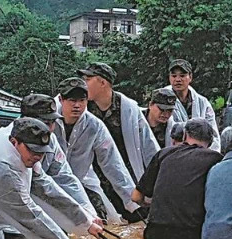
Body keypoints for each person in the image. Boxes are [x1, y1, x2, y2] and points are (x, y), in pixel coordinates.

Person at [133, 117, 219, 239]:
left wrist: (152, 204)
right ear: (210, 142)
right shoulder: (215, 159)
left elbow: (135, 197)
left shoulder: (164, 153)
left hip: (156, 237)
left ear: (184, 135)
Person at [54, 79, 137, 221]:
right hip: (47, 184)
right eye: (72, 100)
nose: (77, 105)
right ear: (61, 99)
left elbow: (113, 163)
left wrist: (132, 202)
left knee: (103, 220)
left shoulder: (94, 126)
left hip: (81, 183)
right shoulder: (48, 121)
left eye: (82, 100)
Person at [18, 92, 102, 227]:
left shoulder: (50, 140)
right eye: (45, 123)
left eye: (52, 123)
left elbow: (65, 178)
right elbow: (43, 185)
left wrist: (88, 212)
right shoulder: (12, 144)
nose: (50, 129)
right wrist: (81, 215)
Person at [83, 61, 158, 201]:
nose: (84, 84)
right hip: (93, 176)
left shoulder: (129, 108)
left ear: (103, 83)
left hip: (126, 174)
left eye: (88, 80)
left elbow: (149, 146)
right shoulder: (83, 108)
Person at [166, 58, 217, 135]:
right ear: (169, 77)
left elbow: (213, 132)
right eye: (174, 76)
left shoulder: (202, 102)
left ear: (190, 77)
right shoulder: (162, 98)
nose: (178, 79)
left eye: (182, 76)